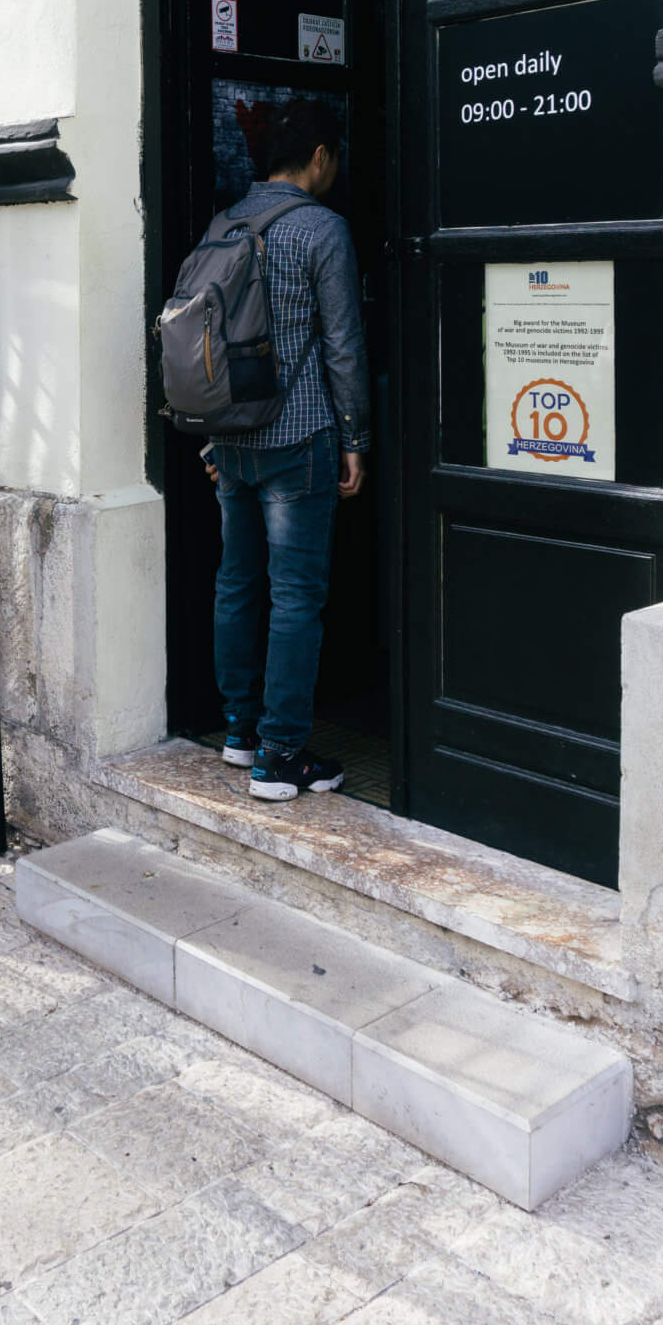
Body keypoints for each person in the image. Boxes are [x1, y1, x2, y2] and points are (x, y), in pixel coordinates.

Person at [204, 97, 369, 800]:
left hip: (229, 438)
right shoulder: (322, 230)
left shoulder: (225, 222)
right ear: (320, 158)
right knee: (296, 596)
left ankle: (241, 732)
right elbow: (342, 343)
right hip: (298, 434)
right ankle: (281, 755)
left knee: (237, 584)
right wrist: (356, 435)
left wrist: (210, 433)